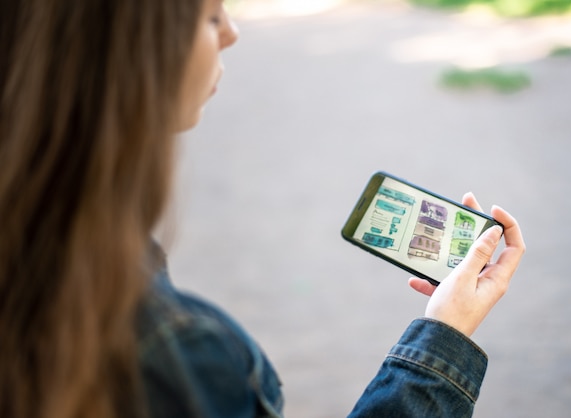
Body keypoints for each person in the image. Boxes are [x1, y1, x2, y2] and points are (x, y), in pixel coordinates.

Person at [0, 0, 525, 417]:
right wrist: (444, 339)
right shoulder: (177, 348)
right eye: (208, 15)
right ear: (123, 50)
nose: (231, 30)